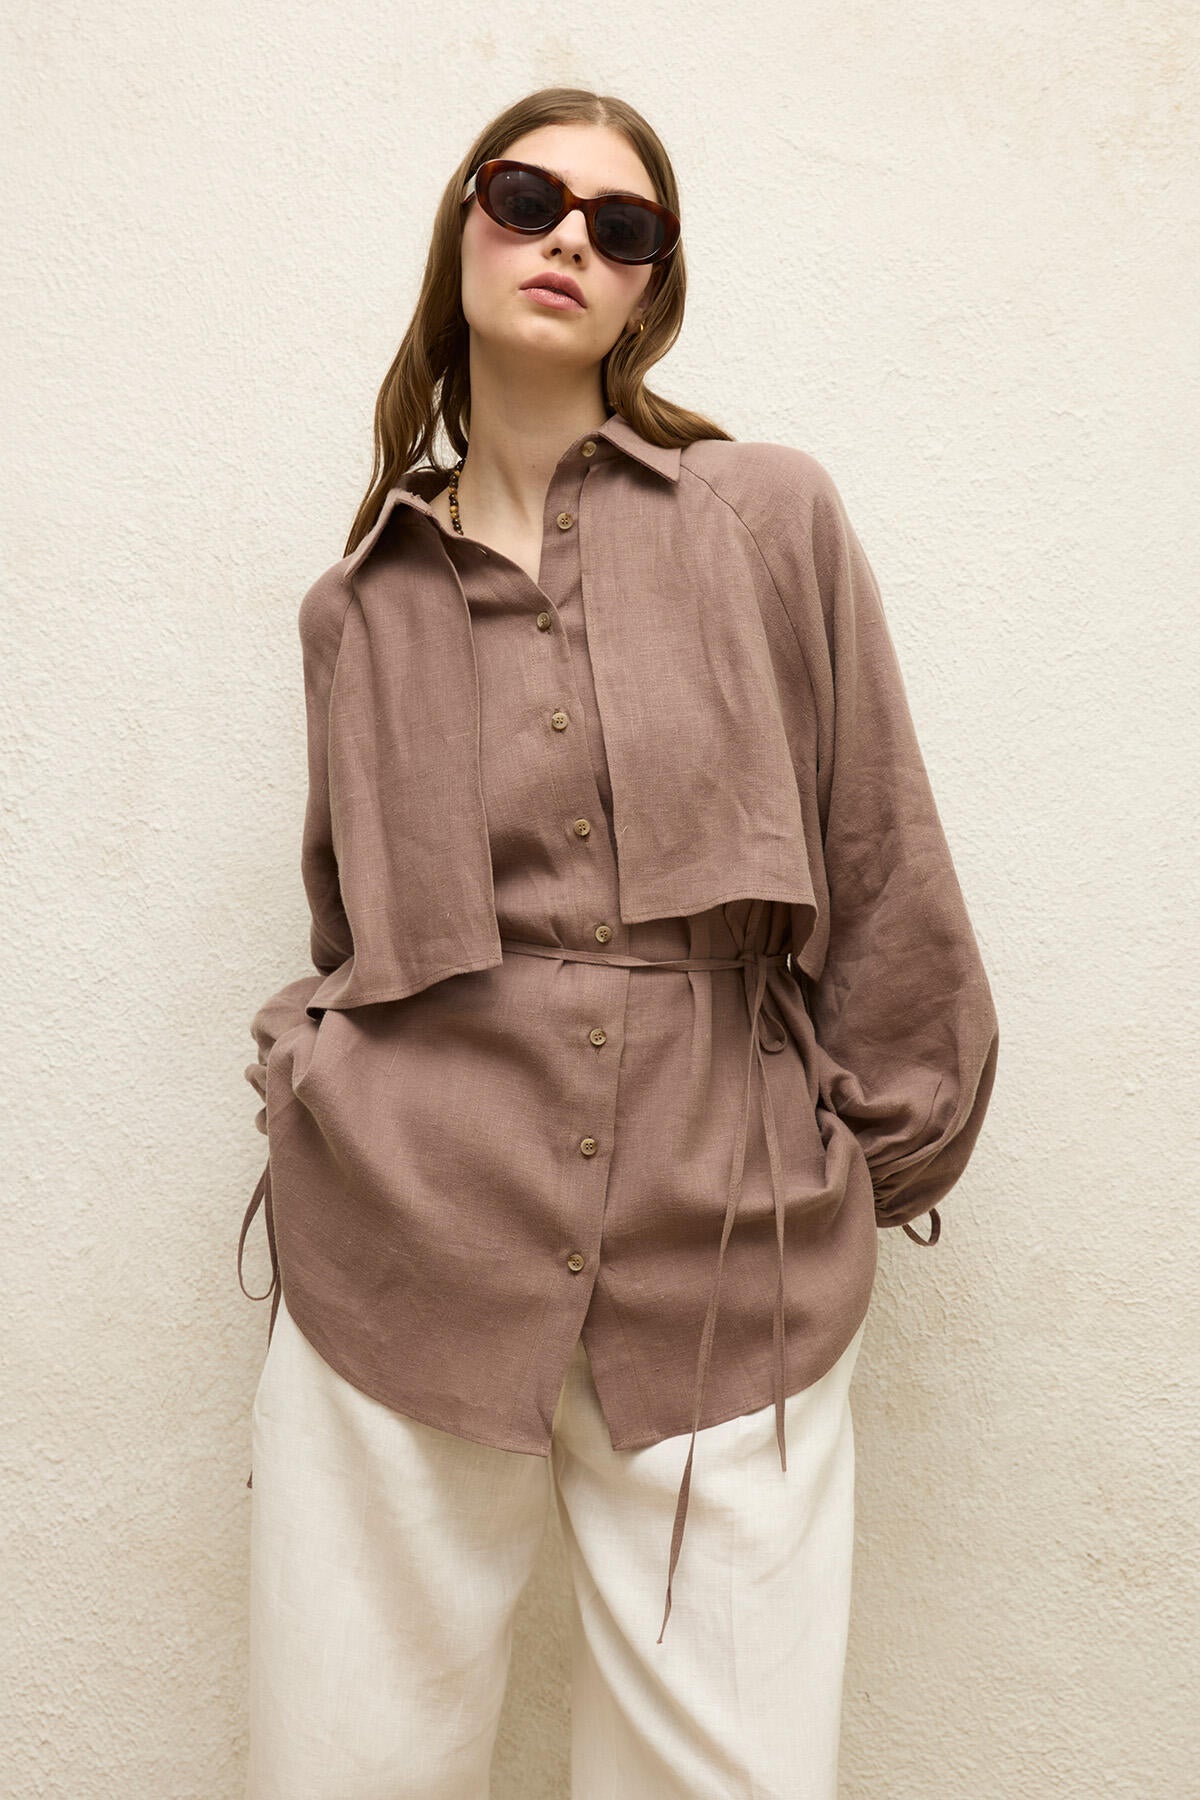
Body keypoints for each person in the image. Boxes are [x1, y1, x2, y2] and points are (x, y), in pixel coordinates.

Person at [237, 85, 999, 1800]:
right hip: (404, 1246)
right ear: (465, 224)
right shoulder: (359, 607)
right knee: (345, 1767)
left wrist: (848, 1160)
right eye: (528, 198)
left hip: (733, 1249)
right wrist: (312, 1082)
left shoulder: (767, 518)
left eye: (622, 223)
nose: (570, 237)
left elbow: (882, 859)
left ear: (652, 284)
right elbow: (351, 928)